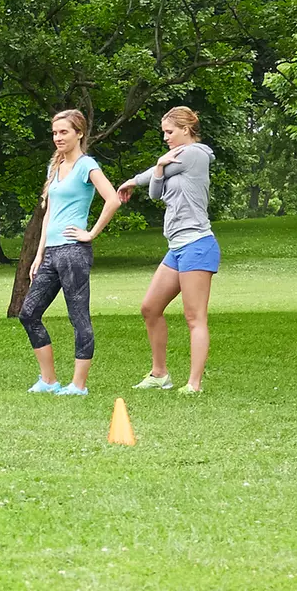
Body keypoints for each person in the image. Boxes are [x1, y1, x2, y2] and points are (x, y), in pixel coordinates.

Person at [18, 110, 124, 396]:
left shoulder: (86, 165)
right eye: (54, 133)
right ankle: (49, 380)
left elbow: (113, 199)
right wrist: (39, 255)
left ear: (79, 133)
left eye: (63, 132)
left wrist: (90, 233)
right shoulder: (55, 167)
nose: (57, 138)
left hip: (74, 252)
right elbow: (49, 214)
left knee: (78, 317)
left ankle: (78, 385)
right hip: (51, 253)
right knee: (28, 313)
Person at [117, 106, 217, 393]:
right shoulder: (170, 161)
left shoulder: (195, 154)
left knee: (194, 317)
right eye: (164, 132)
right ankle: (159, 374)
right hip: (176, 247)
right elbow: (155, 192)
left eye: (169, 132)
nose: (165, 137)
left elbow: (153, 175)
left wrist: (138, 177)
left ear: (186, 129)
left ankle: (194, 384)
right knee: (150, 308)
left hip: (197, 244)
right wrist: (159, 167)